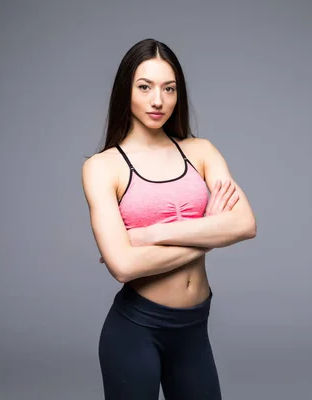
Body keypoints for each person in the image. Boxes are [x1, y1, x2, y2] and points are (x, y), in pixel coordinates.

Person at [81, 38, 257, 400]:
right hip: (135, 331)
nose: (158, 100)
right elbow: (124, 267)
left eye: (169, 88)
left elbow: (244, 225)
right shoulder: (102, 167)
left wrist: (151, 235)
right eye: (144, 87)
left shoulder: (201, 151)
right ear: (125, 92)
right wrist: (209, 229)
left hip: (194, 330)